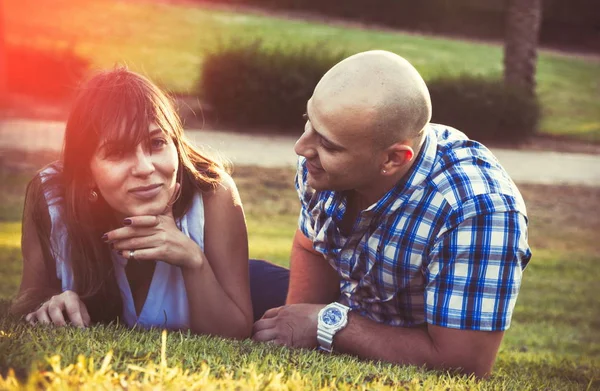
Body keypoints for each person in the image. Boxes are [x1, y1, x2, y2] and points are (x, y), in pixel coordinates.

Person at [252, 50, 531, 377]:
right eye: (308, 124)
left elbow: (463, 364)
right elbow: (312, 243)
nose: (301, 148)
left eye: (329, 145)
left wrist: (325, 323)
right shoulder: (327, 160)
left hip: (413, 337)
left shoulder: (477, 208)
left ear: (393, 160)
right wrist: (293, 321)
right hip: (347, 303)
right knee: (220, 279)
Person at [10, 68, 288, 337]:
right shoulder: (51, 198)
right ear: (86, 173)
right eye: (118, 152)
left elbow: (233, 332)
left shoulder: (214, 192)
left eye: (156, 143)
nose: (145, 167)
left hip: (256, 281)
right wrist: (49, 305)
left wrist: (193, 261)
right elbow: (26, 301)